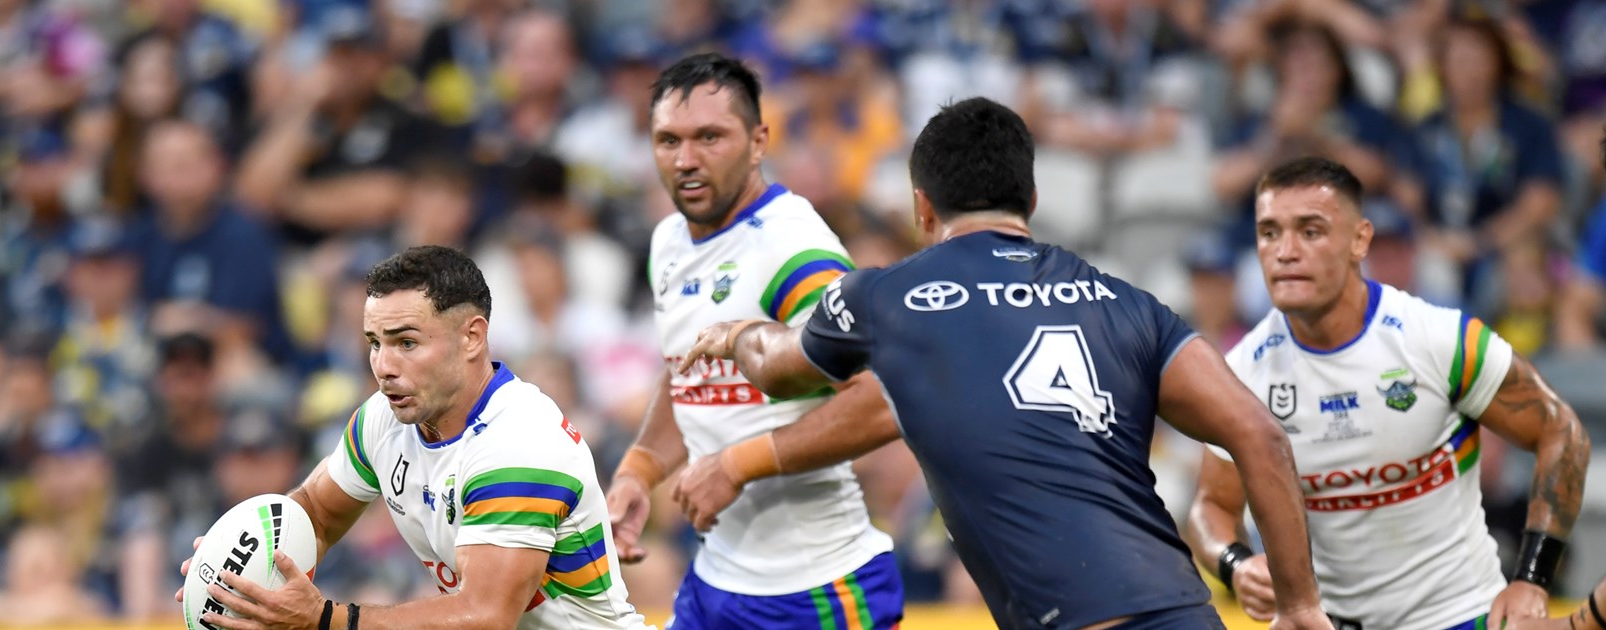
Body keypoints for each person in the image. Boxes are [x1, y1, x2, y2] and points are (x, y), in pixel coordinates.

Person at [672, 97, 1330, 630]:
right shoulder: (1129, 304)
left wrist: (738, 334)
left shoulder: (884, 297)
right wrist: (1300, 605)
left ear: (922, 207)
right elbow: (1260, 434)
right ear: (1031, 201)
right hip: (1185, 613)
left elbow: (779, 367)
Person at [1184, 157, 1590, 630]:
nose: (1285, 251)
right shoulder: (1241, 374)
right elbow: (1211, 506)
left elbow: (1562, 431)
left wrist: (1532, 579)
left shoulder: (1439, 339)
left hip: (1459, 618)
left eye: (1310, 231)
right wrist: (1235, 564)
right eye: (1269, 233)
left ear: (1360, 240)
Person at [172, 245, 652, 629]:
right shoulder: (382, 419)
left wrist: (324, 619)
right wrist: (244, 567)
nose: (383, 367)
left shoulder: (519, 444)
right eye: (374, 343)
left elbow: (485, 617)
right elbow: (316, 513)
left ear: (472, 337)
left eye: (406, 342)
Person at [605, 53, 904, 629]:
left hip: (816, 591)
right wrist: (639, 472)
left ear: (759, 141)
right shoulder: (669, 240)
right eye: (668, 140)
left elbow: (882, 399)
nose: (686, 160)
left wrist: (737, 465)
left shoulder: (792, 247)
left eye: (710, 137)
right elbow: (688, 371)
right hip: (714, 584)